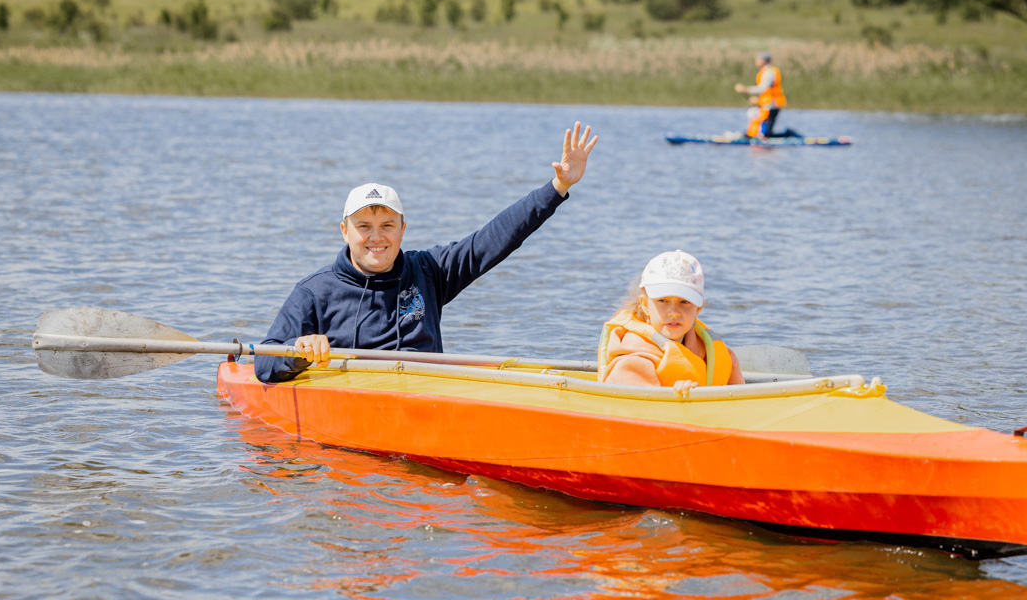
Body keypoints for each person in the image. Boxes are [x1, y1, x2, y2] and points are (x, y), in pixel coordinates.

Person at [254, 122, 598, 384]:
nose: (377, 238)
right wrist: (299, 351)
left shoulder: (429, 270)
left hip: (427, 395)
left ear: (403, 229)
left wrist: (558, 187)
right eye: (364, 227)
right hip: (358, 398)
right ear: (345, 231)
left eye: (387, 226)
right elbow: (264, 365)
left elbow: (496, 237)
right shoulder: (314, 291)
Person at [598, 250, 744, 396]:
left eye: (684, 302)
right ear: (644, 305)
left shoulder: (721, 356)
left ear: (698, 308)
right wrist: (676, 398)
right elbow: (642, 412)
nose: (674, 312)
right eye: (663, 300)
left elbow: (742, 406)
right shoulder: (631, 363)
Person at [733, 51, 795, 139]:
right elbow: (765, 92)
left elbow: (763, 88)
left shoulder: (769, 72)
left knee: (767, 134)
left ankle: (788, 135)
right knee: (764, 129)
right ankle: (750, 135)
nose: (756, 61)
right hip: (767, 104)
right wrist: (758, 101)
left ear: (763, 61)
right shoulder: (766, 71)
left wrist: (745, 89)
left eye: (758, 59)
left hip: (772, 104)